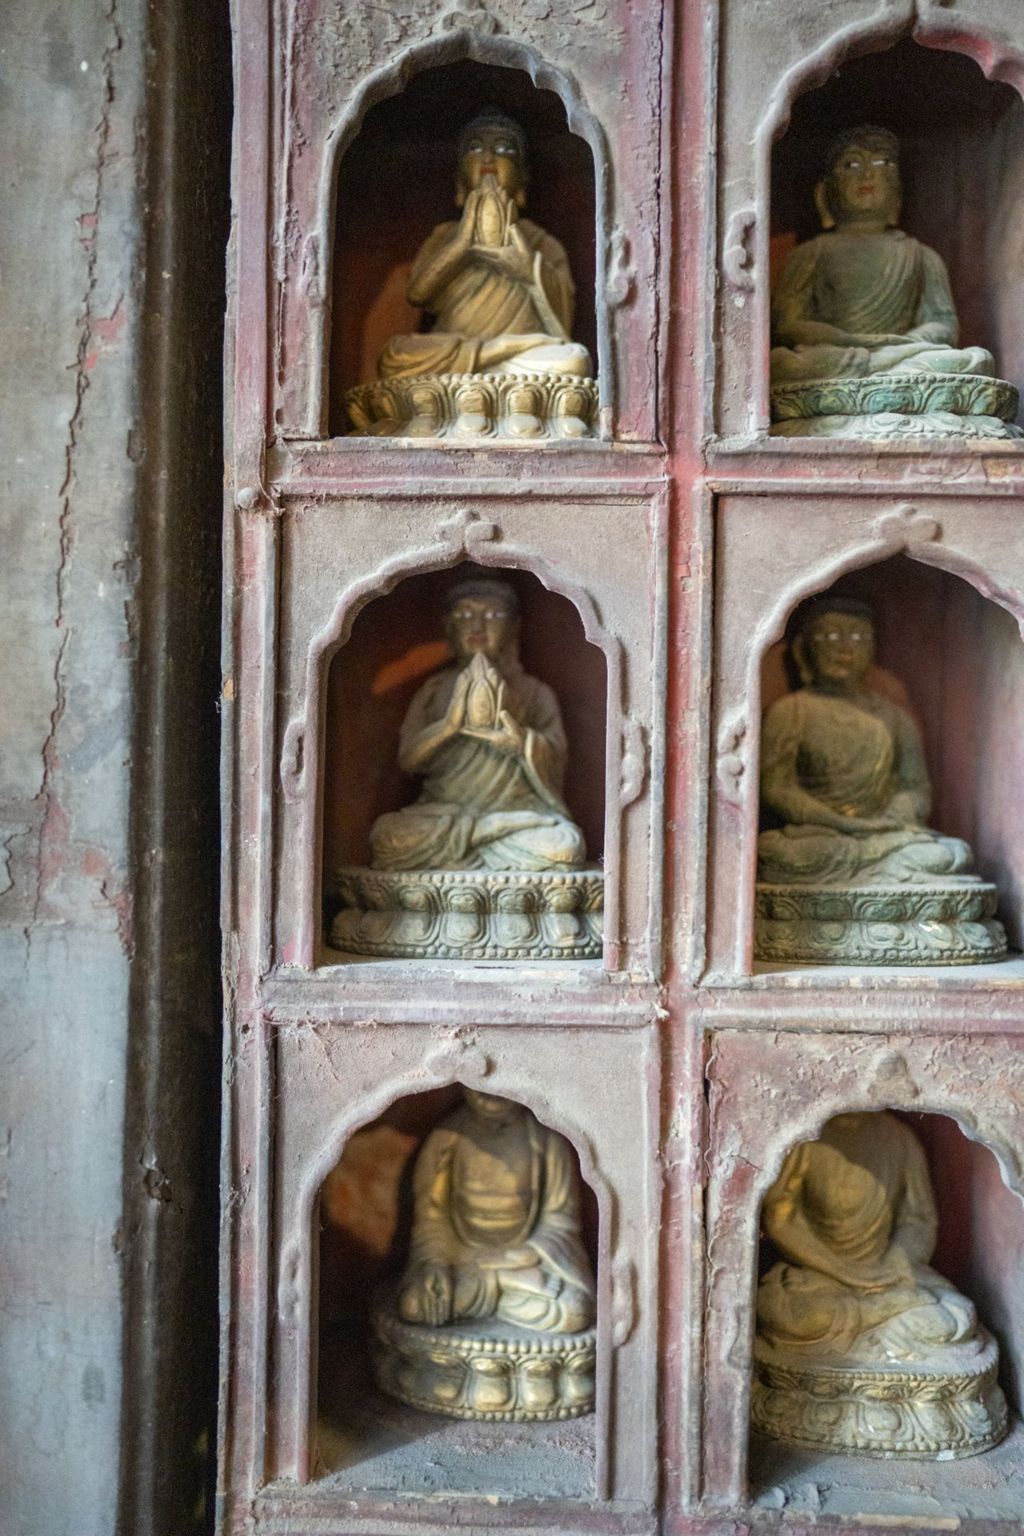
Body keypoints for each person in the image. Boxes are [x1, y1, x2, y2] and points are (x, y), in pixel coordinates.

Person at [369, 577, 588, 872]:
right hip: (443, 813)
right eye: (464, 614)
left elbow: (556, 756)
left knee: (565, 845)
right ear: (449, 626)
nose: (477, 625)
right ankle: (484, 832)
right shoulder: (434, 689)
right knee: (387, 835)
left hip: (517, 815)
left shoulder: (536, 693)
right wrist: (448, 727)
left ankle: (475, 838)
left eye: (494, 615)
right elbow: (409, 759)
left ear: (514, 628)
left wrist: (522, 743)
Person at [758, 599, 978, 886]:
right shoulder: (792, 711)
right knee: (777, 852)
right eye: (831, 637)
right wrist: (839, 822)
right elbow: (778, 788)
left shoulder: (895, 718)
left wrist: (894, 815)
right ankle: (883, 876)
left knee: (949, 854)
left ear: (873, 648)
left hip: (884, 835)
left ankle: (879, 873)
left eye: (859, 637)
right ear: (804, 647)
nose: (845, 649)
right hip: (821, 835)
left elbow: (914, 787)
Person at [376, 109, 591, 383]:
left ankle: (498, 358)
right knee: (394, 356)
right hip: (458, 354)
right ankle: (496, 351)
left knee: (574, 360)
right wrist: (462, 245)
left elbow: (562, 323)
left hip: (519, 364)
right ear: (459, 178)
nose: (488, 157)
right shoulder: (444, 236)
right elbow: (417, 294)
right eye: (476, 148)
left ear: (523, 177)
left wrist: (527, 269)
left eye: (504, 149)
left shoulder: (542, 243)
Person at [770, 126, 993, 386]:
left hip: (902, 353)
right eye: (851, 164)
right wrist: (844, 339)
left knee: (976, 360)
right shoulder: (810, 253)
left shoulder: (921, 255)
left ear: (898, 194)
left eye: (882, 163)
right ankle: (882, 376)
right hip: (836, 355)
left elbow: (944, 325)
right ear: (823, 194)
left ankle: (878, 373)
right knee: (780, 363)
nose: (867, 174)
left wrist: (903, 343)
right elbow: (787, 325)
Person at [758, 1112, 979, 1361]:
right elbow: (781, 1219)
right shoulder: (807, 1139)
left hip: (888, 1271)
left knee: (957, 1317)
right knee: (787, 1313)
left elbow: (918, 1219)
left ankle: (879, 1327)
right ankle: (882, 1313)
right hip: (822, 1273)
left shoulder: (899, 1139)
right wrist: (843, 1270)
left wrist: (897, 1262)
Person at [397, 1089, 595, 1335]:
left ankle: (503, 1281)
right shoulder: (446, 1138)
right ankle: (502, 1281)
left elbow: (560, 1220)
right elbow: (432, 1219)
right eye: (481, 1087)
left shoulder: (547, 1140)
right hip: (463, 1263)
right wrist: (435, 1263)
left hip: (521, 1261)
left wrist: (527, 1253)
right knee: (414, 1305)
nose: (491, 1096)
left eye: (499, 1087)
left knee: (575, 1311)